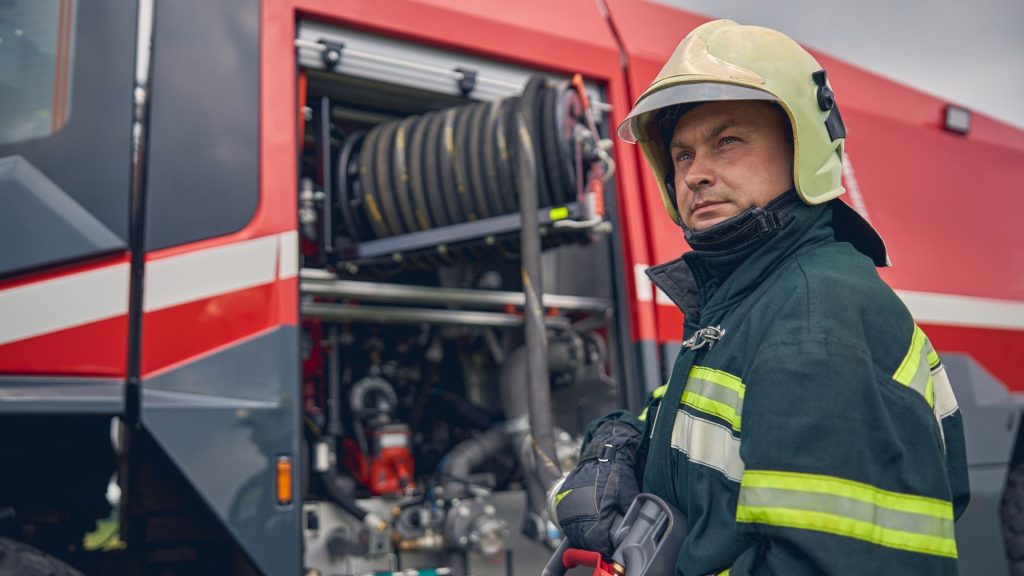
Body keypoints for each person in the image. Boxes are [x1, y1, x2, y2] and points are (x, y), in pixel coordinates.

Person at [553, 19, 970, 575]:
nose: (696, 175)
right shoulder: (744, 300)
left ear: (802, 148)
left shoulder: (813, 320)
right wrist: (621, 441)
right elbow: (707, 429)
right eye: (681, 156)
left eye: (727, 142)